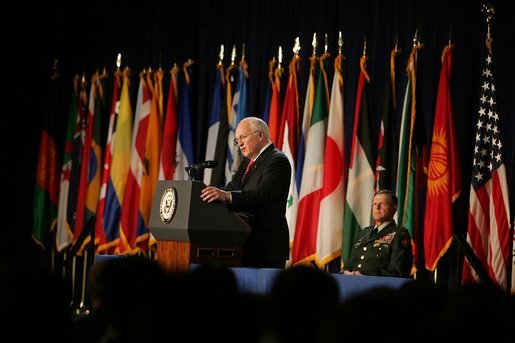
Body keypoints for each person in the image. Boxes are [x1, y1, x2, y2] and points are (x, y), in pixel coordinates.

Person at [200, 117, 291, 269]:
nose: (240, 144)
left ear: (260, 135)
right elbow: (231, 188)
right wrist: (207, 194)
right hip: (244, 243)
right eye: (237, 140)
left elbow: (263, 194)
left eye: (243, 137)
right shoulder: (247, 163)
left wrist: (227, 196)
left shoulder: (277, 160)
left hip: (266, 247)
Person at [340, 189, 413, 277]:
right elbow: (351, 263)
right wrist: (345, 272)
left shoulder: (399, 233)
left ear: (394, 209)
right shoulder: (364, 232)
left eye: (383, 204)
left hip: (380, 287)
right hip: (354, 284)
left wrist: (365, 275)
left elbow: (397, 271)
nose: (377, 207)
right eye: (375, 204)